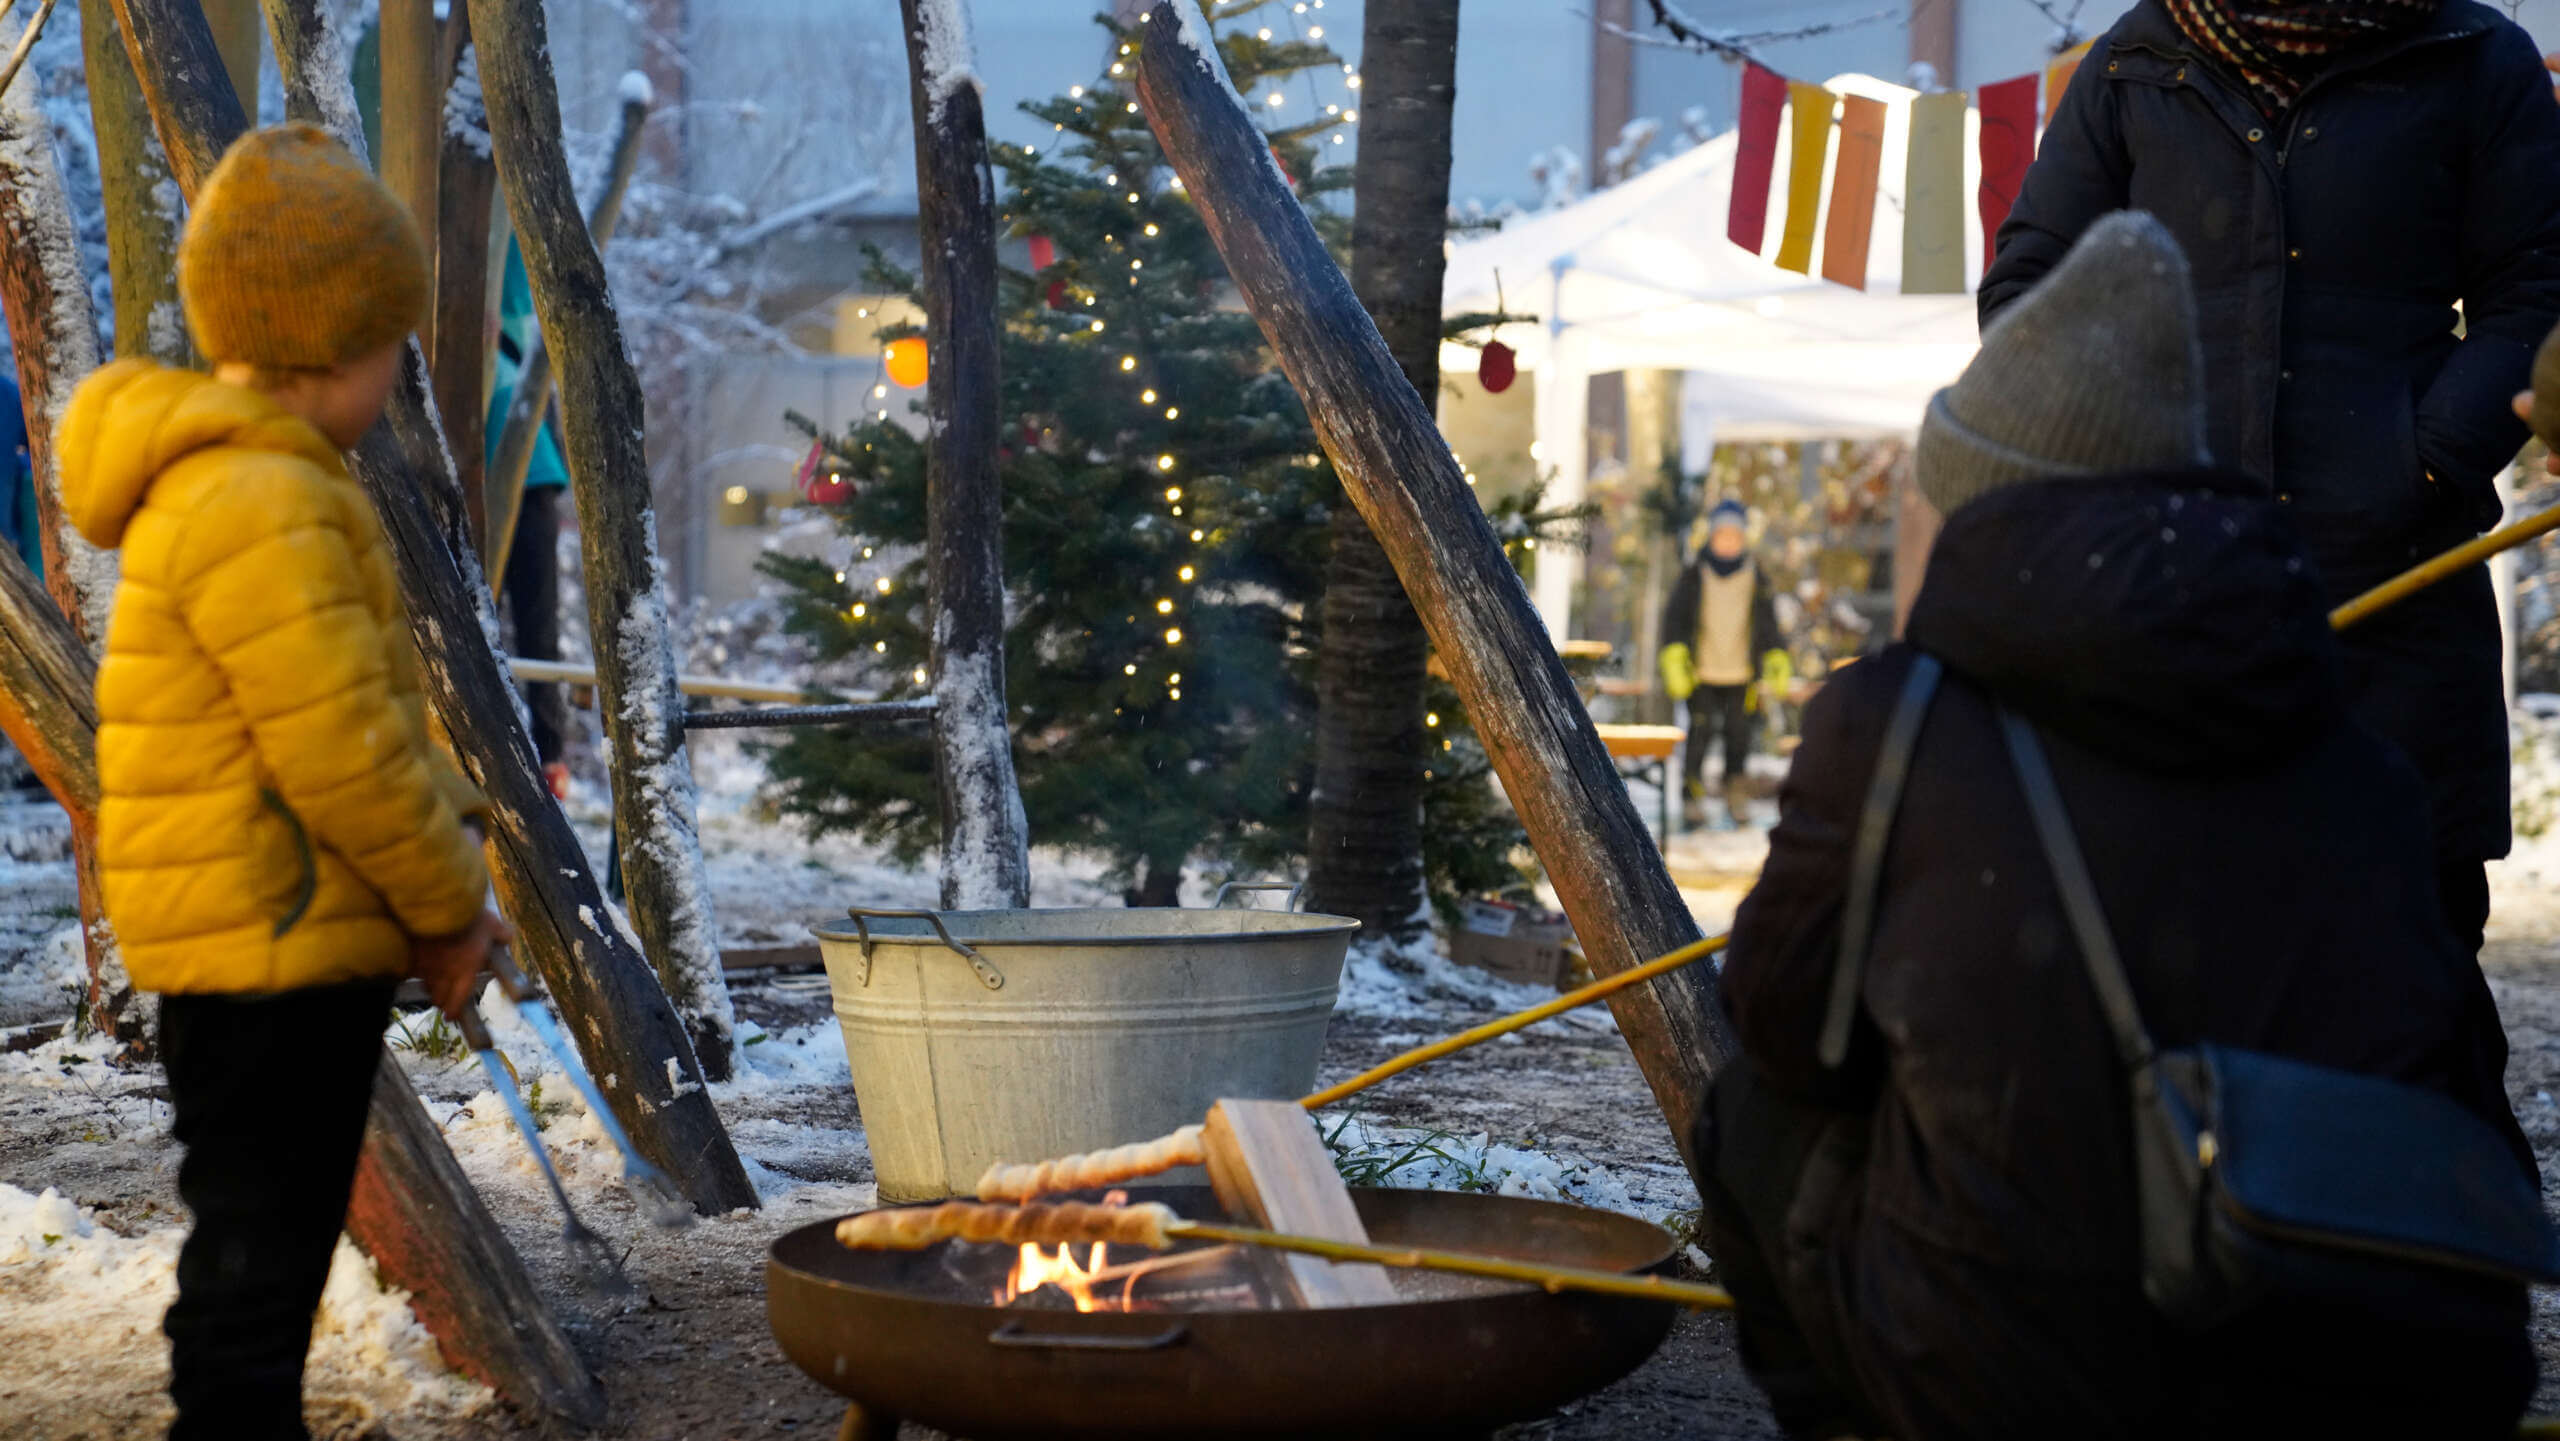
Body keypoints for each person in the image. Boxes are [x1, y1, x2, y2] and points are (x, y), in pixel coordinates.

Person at [1701, 214, 2534, 1440]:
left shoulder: (1897, 722)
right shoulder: (2352, 747)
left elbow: (1786, 1032)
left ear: (1984, 503)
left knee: (1753, 1116)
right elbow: (2454, 1070)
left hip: (2031, 1377)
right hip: (2364, 1358)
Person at [56, 124, 509, 1441]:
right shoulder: (264, 500)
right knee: (256, 1260)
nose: (394, 375)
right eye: (392, 349)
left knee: (261, 1245)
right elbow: (344, 748)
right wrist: (444, 900)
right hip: (273, 943)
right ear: (341, 346)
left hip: (252, 935)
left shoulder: (236, 486)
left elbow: (346, 716)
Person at [1981, 0, 2560, 980]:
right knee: (2172, 976)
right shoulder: (2134, 60)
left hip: (2397, 592)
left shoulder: (2471, 54)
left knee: (2406, 986)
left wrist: (2422, 461)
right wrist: (2134, 469)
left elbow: (2538, 286)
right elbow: (2032, 291)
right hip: (2168, 601)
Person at [486, 239, 573, 798]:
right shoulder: (510, 241)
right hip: (515, 459)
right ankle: (544, 755)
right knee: (527, 619)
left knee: (513, 617)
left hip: (517, 460)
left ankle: (545, 754)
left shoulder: (507, 238)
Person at [1658, 499, 1784, 829]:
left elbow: (1768, 621)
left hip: (1742, 672)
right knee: (1700, 732)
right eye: (1722, 535)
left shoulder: (1756, 576)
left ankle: (1735, 794)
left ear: (1743, 540)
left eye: (1734, 536)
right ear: (1711, 537)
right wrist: (1674, 654)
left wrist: (1775, 655)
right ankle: (1692, 795)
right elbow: (1675, 619)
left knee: (1738, 736)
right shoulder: (1693, 574)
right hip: (1701, 672)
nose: (1728, 542)